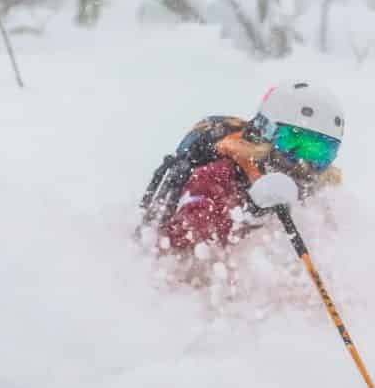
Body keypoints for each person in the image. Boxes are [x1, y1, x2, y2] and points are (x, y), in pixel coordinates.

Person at [138, 81, 344, 256]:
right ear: (266, 132)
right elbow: (179, 246)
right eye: (293, 144)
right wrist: (249, 215)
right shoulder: (219, 176)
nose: (303, 163)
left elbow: (332, 252)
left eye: (319, 153)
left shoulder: (317, 196)